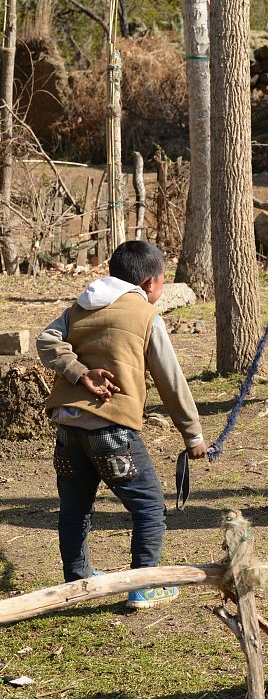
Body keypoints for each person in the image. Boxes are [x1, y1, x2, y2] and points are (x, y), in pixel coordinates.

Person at [36, 240, 207, 608]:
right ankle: (143, 584)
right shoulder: (146, 315)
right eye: (162, 283)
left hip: (68, 428)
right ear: (149, 283)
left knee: (74, 507)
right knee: (148, 507)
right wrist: (193, 435)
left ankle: (78, 581)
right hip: (111, 431)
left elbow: (46, 340)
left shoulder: (79, 307)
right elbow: (171, 381)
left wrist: (79, 373)